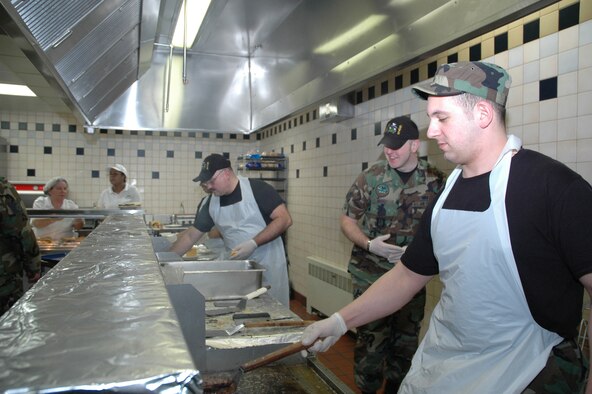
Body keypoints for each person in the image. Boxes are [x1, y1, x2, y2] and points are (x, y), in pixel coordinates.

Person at [301, 61, 592, 393]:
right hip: (449, 365)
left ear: (482, 114)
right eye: (431, 118)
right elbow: (408, 276)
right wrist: (339, 322)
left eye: (442, 118)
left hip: (527, 369)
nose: (431, 131)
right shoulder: (447, 192)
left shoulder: (554, 188)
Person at [341, 116, 445, 393]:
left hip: (411, 277)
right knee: (370, 343)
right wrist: (368, 244)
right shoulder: (371, 177)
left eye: (397, 146)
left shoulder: (435, 180)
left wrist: (425, 249)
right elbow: (347, 220)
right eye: (387, 145)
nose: (390, 151)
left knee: (406, 343)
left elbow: (446, 225)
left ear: (415, 145)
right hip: (370, 275)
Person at [169, 153, 292, 306]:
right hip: (239, 268)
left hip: (269, 266)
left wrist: (253, 243)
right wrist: (165, 261)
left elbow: (284, 219)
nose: (209, 187)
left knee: (273, 310)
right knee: (242, 310)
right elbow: (190, 236)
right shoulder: (210, 203)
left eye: (212, 181)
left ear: (226, 173)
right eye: (206, 183)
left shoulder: (258, 189)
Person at [0, 177, 41, 316]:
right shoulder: (3, 189)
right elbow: (20, 231)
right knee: (8, 327)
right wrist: (33, 267)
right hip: (4, 279)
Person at [31, 177, 84, 241]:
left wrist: (79, 222)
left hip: (65, 243)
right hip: (43, 242)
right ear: (49, 191)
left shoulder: (71, 205)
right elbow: (36, 224)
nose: (63, 191)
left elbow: (78, 227)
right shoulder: (41, 202)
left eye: (65, 189)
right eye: (59, 189)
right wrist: (53, 218)